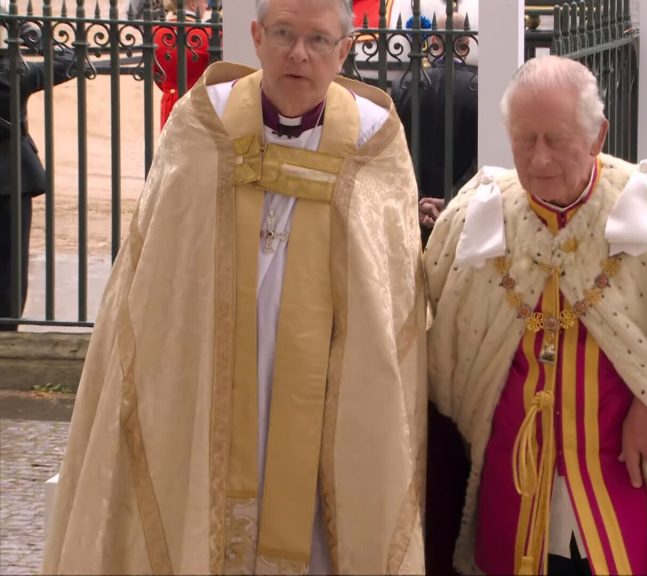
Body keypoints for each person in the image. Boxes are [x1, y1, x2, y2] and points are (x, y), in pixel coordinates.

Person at [42, 0, 426, 573]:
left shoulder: (373, 142)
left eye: (319, 40)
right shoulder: (205, 124)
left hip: (327, 385)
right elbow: (159, 273)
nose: (299, 54)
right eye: (283, 33)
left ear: (345, 50)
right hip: (208, 375)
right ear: (256, 36)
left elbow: (387, 287)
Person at [425, 55, 647, 576]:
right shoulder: (475, 220)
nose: (539, 158)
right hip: (510, 495)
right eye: (524, 140)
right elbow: (441, 357)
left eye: (556, 139)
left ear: (598, 135)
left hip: (626, 493)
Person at [1, 29, 76, 330]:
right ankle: (7, 329)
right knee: (12, 262)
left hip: (15, 176)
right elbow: (70, 60)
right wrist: (34, 35)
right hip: (13, 176)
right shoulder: (17, 73)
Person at [393, 11, 478, 244]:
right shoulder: (478, 87)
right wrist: (453, 198)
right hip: (464, 212)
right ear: (466, 44)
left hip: (416, 209)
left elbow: (396, 150)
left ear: (432, 41)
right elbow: (480, 158)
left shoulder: (405, 85)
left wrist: (419, 199)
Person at [154, 0, 211, 128]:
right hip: (200, 105)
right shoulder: (208, 34)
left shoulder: (157, 32)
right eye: (204, 1)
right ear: (192, 3)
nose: (207, 5)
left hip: (169, 101)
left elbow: (156, 73)